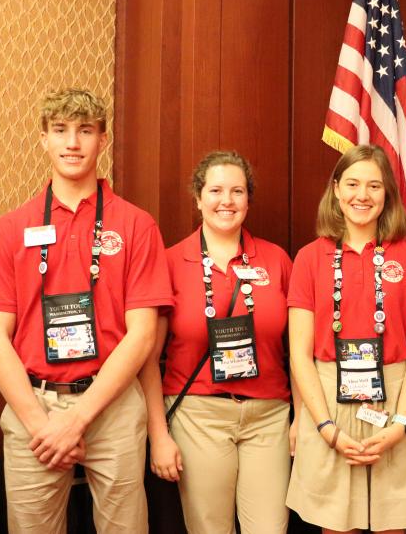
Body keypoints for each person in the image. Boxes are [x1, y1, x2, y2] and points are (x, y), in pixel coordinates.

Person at [0, 88, 172, 534]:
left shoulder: (136, 225)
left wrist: (77, 421)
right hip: (33, 407)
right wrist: (42, 426)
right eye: (60, 131)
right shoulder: (12, 228)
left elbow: (142, 336)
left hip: (115, 405)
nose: (72, 143)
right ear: (43, 139)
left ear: (103, 140)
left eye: (85, 131)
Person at [139, 151, 295, 534]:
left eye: (237, 191)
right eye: (216, 190)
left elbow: (301, 351)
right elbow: (147, 358)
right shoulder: (172, 261)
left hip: (269, 419)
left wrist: (301, 422)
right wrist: (158, 435)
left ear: (248, 199)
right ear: (198, 198)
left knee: (270, 528)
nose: (227, 201)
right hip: (198, 417)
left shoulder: (276, 260)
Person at [287, 144, 406, 534]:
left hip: (398, 394)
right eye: (352, 183)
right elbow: (299, 355)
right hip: (328, 399)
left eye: (374, 185)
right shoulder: (308, 258)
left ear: (387, 192)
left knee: (393, 525)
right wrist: (324, 428)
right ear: (336, 189)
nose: (362, 195)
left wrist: (402, 423)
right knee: (336, 526)